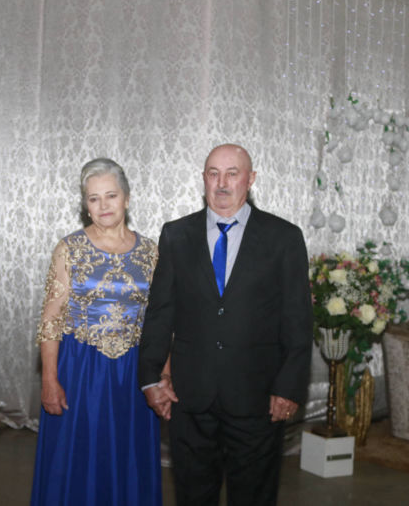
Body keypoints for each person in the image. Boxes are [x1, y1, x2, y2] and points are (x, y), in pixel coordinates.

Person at [138, 144, 313, 505]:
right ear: (203, 179)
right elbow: (160, 313)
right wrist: (152, 377)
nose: (222, 183)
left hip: (258, 398)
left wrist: (289, 387)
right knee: (193, 495)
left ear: (250, 179)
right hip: (189, 397)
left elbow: (298, 319)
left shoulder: (284, 237)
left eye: (232, 173)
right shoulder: (176, 234)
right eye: (213, 173)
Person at [31, 158, 163, 506]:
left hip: (133, 374)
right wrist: (49, 379)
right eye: (93, 198)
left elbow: (161, 322)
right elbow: (51, 318)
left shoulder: (150, 252)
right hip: (80, 370)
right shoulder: (69, 248)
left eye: (111, 196)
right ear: (85, 205)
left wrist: (164, 374)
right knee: (77, 459)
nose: (103, 205)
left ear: (127, 199)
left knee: (127, 457)